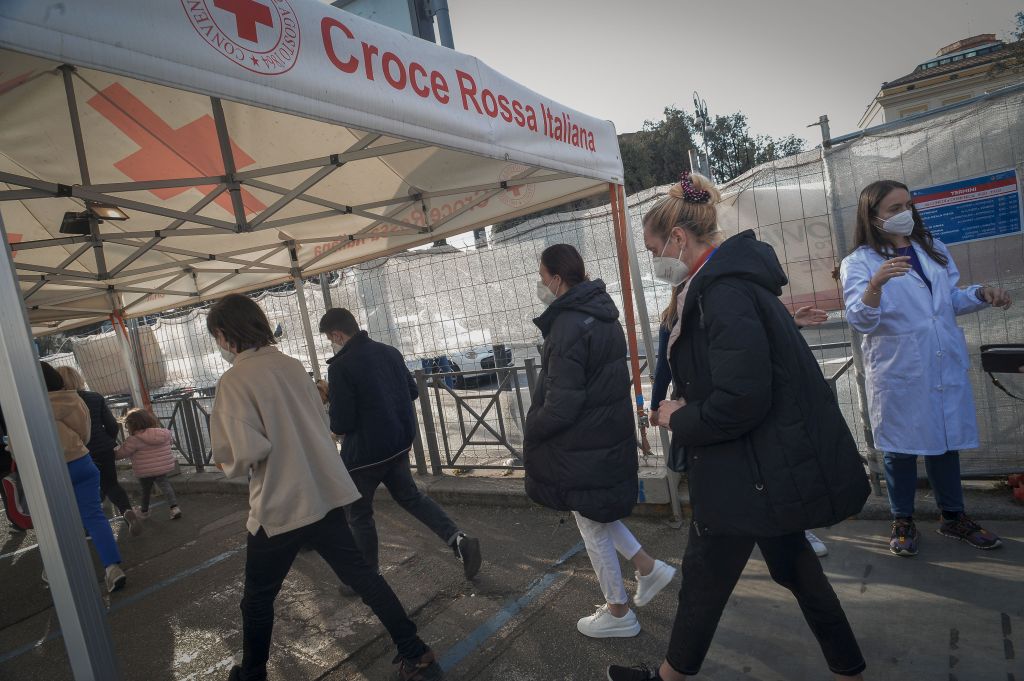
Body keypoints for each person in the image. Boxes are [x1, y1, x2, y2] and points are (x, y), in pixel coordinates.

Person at [608, 171, 869, 681]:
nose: (655, 260)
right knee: (790, 570)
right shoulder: (720, 284)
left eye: (654, 248)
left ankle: (668, 676)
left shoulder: (721, 291)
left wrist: (679, 415)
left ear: (678, 238)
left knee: (709, 579)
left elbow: (742, 398)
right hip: (757, 466)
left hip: (743, 468)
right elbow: (737, 373)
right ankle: (849, 669)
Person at [207, 294, 442, 681]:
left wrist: (225, 460)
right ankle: (414, 650)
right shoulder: (291, 365)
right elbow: (322, 421)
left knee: (258, 599)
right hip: (324, 492)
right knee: (365, 577)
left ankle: (252, 674)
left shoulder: (234, 380)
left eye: (216, 336)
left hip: (280, 504)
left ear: (224, 333)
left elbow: (244, 453)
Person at [840, 179, 1012, 556]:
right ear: (873, 216)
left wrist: (980, 294)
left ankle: (953, 517)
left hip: (940, 362)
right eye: (895, 208)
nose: (906, 213)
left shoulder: (931, 248)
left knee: (944, 443)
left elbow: (949, 300)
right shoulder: (859, 262)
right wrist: (876, 284)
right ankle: (902, 520)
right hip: (899, 370)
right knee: (899, 449)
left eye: (908, 205)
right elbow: (861, 320)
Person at [524, 243, 676, 639]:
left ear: (557, 278)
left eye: (542, 277)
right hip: (606, 432)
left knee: (591, 524)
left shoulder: (568, 324)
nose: (540, 285)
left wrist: (533, 426)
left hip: (582, 441)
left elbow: (562, 402)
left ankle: (619, 611)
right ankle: (648, 568)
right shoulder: (603, 313)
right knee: (595, 514)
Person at [651, 304, 831, 558]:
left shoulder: (723, 303)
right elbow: (664, 365)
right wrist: (655, 406)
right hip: (701, 413)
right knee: (721, 484)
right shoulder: (673, 318)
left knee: (761, 475)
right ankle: (756, 541)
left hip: (736, 407)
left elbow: (756, 341)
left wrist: (791, 323)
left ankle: (793, 534)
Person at [318, 308, 482, 581]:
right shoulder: (389, 352)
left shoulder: (340, 367)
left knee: (359, 514)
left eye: (329, 339)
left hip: (363, 457)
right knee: (411, 497)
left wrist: (331, 403)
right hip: (397, 445)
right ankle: (459, 540)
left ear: (337, 334)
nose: (332, 344)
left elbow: (342, 423)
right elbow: (412, 391)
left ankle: (367, 578)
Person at [40, 362, 127, 593]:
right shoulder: (72, 400)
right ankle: (112, 568)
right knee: (94, 516)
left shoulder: (27, 406)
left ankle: (54, 568)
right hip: (81, 461)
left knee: (54, 520)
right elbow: (84, 434)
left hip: (49, 468)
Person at [55, 366, 142, 535]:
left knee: (82, 489)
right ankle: (127, 511)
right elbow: (112, 425)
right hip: (103, 448)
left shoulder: (56, 403)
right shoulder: (95, 397)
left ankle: (87, 526)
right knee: (110, 484)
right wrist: (107, 442)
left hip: (76, 453)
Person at [115, 408, 181, 521]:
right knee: (166, 486)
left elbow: (122, 453)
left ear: (131, 425)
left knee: (146, 491)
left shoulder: (133, 439)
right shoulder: (163, 433)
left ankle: (144, 511)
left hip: (144, 471)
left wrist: (113, 453)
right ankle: (174, 508)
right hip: (161, 468)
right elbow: (170, 442)